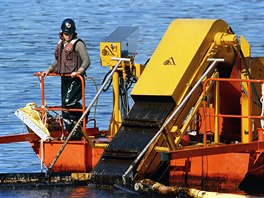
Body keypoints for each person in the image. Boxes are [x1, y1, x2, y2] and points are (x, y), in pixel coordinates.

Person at [42, 18, 90, 140]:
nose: (67, 36)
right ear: (61, 33)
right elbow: (58, 61)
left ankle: (84, 112)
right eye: (65, 33)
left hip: (76, 79)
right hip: (65, 78)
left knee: (69, 102)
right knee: (64, 106)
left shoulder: (78, 44)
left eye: (69, 33)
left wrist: (79, 71)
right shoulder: (61, 44)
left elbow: (86, 61)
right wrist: (49, 70)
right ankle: (73, 132)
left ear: (73, 32)